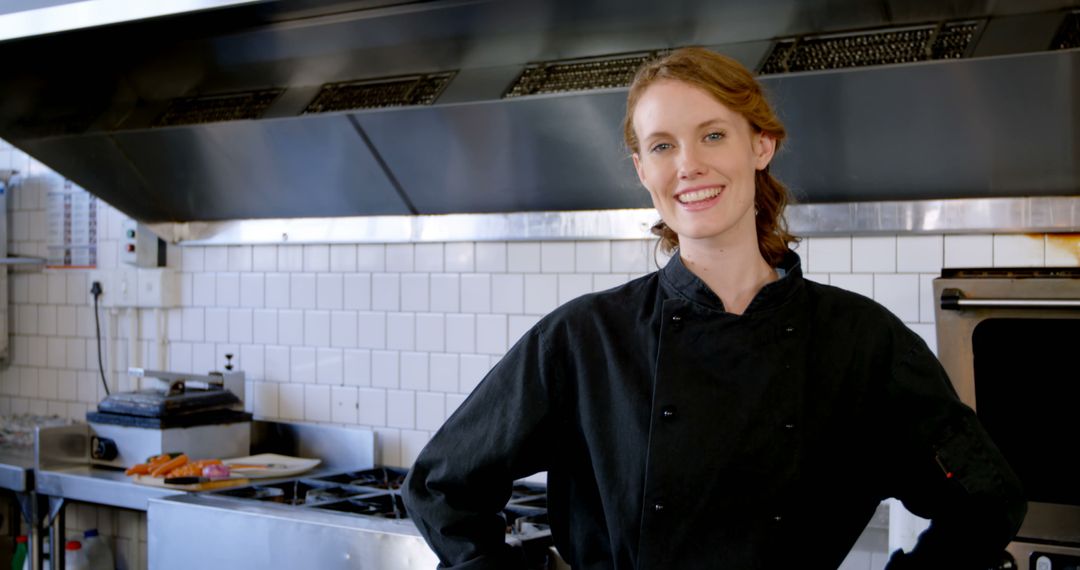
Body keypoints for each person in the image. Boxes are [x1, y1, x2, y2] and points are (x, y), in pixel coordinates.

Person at [402, 47, 1026, 569]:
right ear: (641, 169)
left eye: (713, 134)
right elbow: (441, 488)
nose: (690, 165)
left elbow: (985, 501)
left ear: (762, 145)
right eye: (663, 146)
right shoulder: (587, 338)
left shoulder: (859, 341)